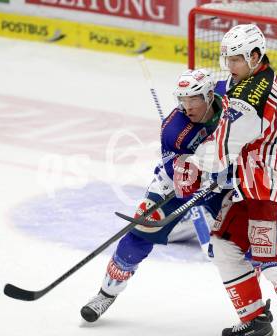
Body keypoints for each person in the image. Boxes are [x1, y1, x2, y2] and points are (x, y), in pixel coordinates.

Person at [174, 24, 277, 336]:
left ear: (256, 55)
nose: (230, 66)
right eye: (227, 59)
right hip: (251, 187)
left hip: (274, 190)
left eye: (237, 59)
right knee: (224, 245)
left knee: (275, 264)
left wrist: (191, 164)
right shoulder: (255, 77)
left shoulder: (250, 97)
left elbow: (222, 149)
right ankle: (256, 321)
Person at [80, 68, 229, 322]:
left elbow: (272, 98)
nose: (187, 106)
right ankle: (106, 293)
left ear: (208, 94)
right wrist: (194, 168)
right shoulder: (174, 129)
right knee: (138, 235)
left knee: (242, 239)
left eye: (193, 99)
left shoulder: (229, 95)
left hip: (222, 184)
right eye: (182, 100)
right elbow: (174, 170)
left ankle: (254, 309)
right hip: (176, 185)